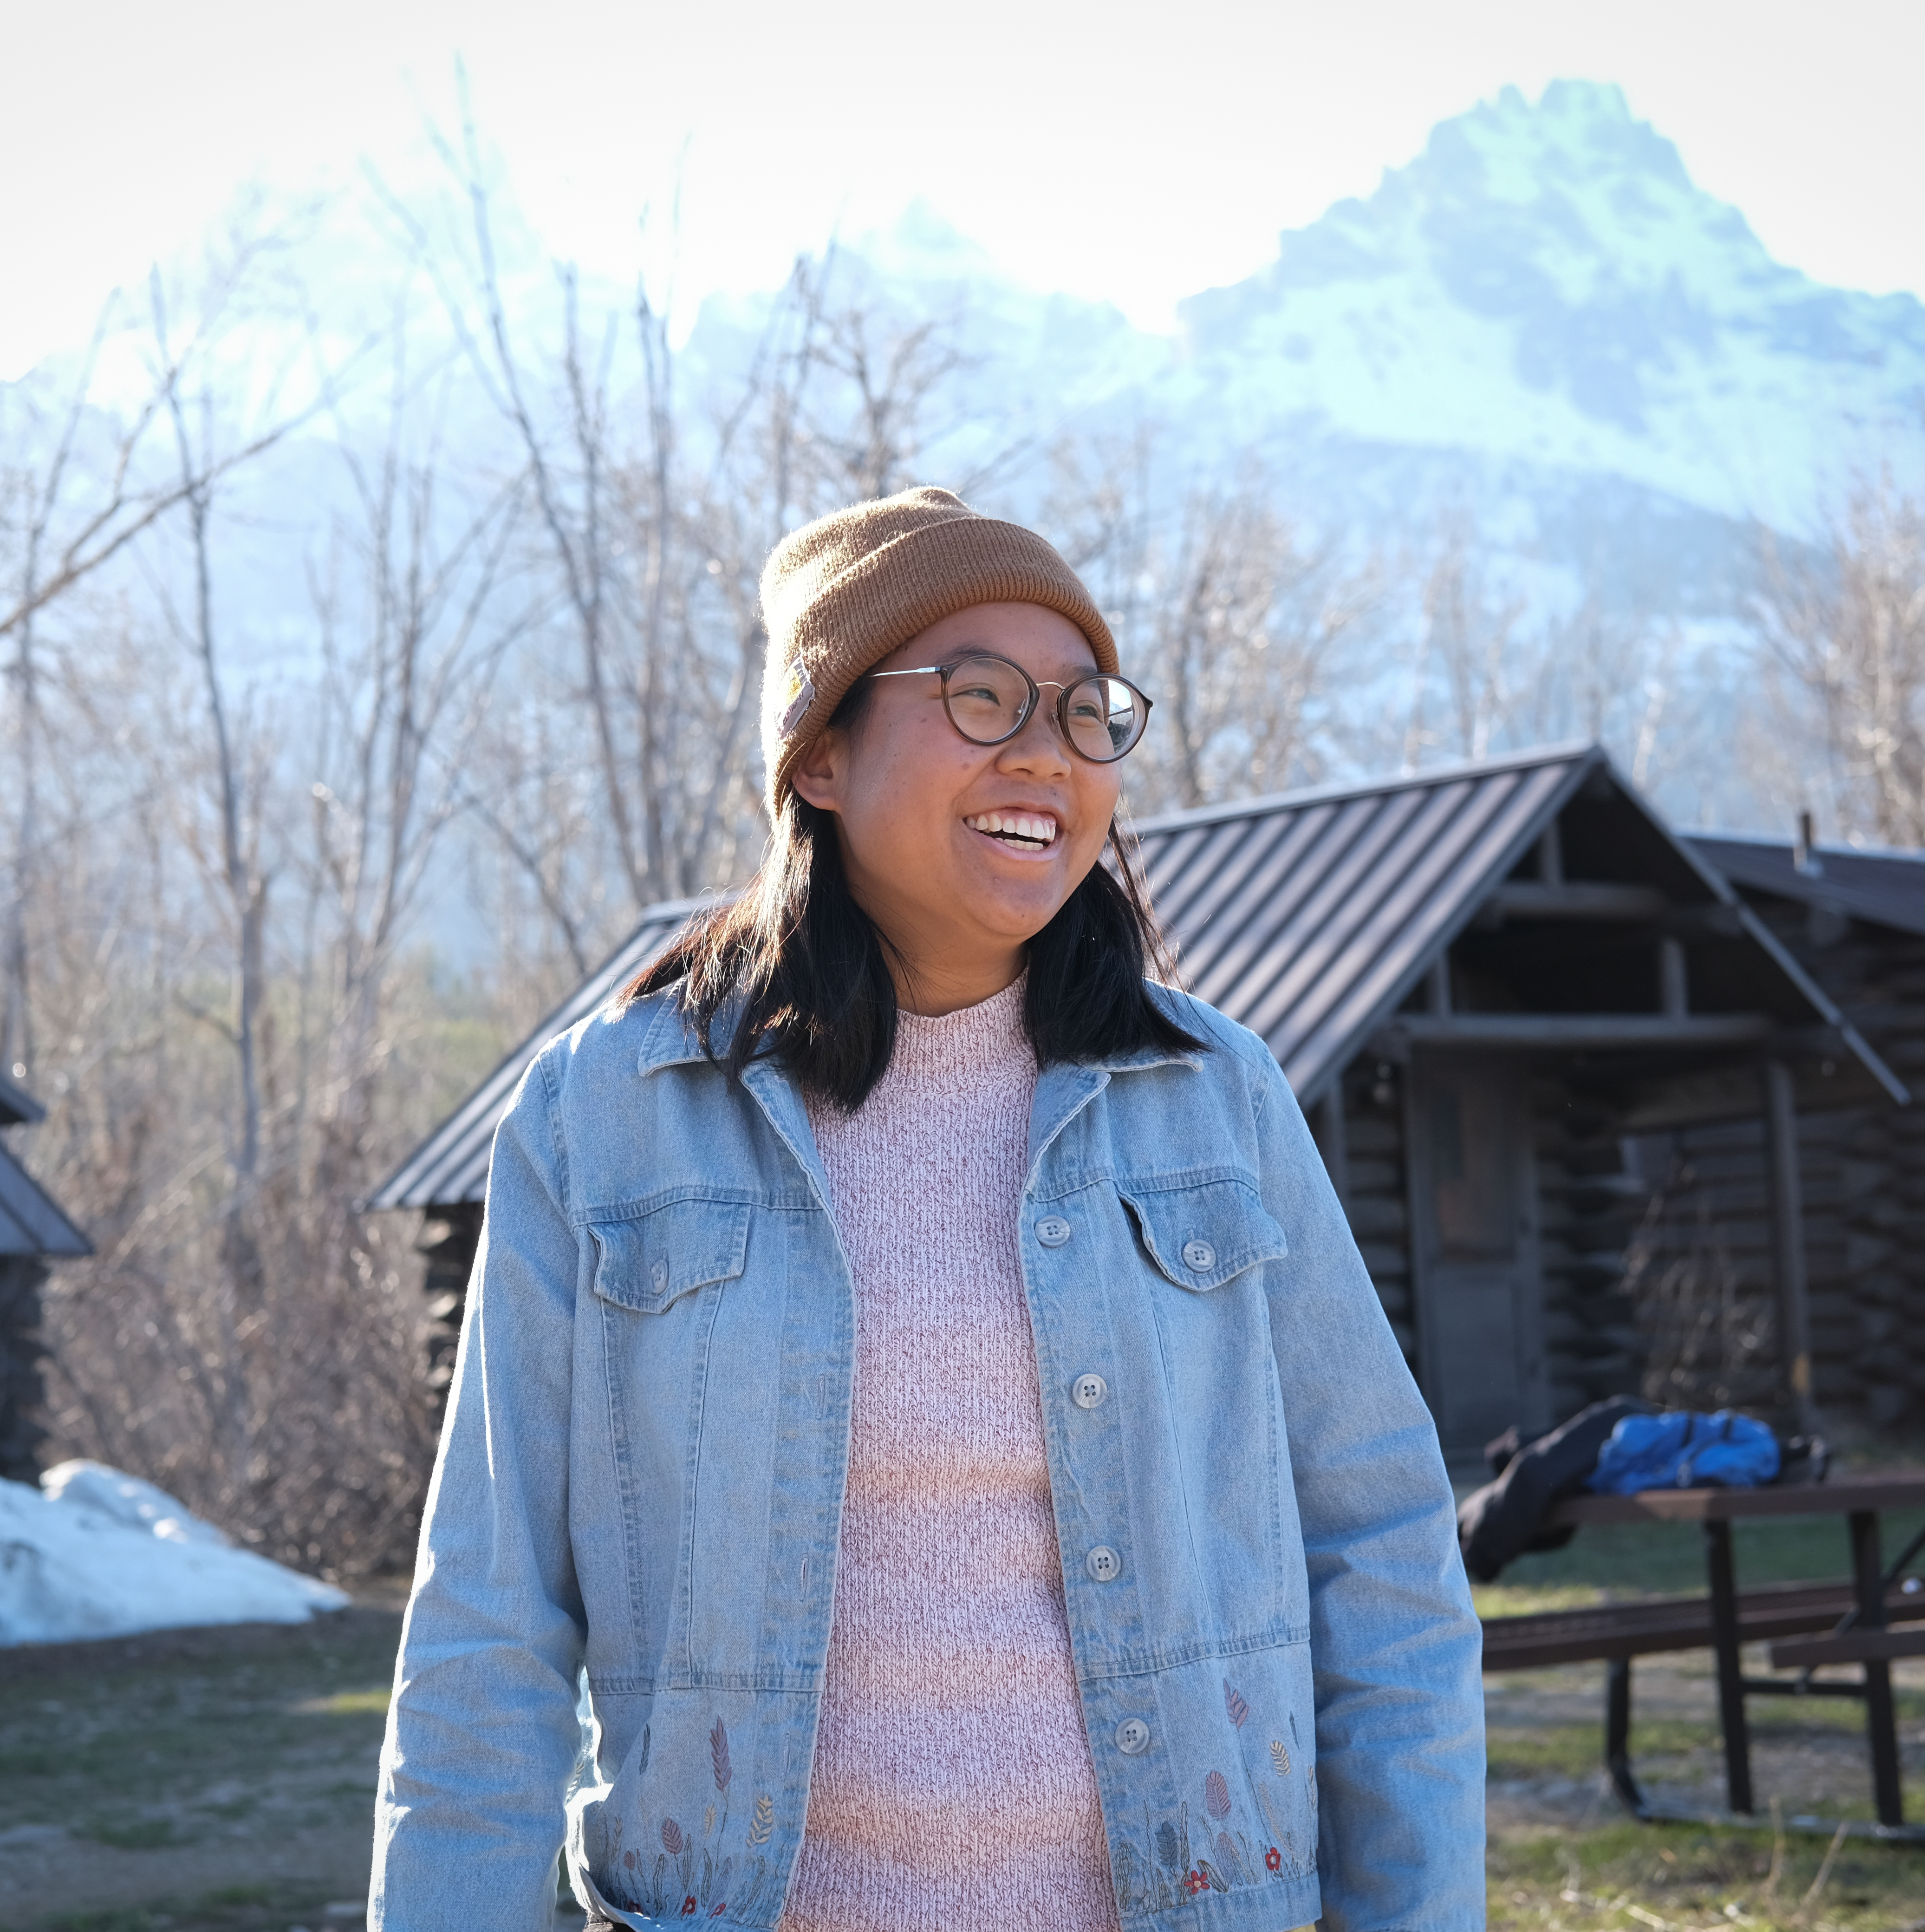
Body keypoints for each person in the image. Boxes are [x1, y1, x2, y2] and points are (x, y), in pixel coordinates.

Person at [371, 488, 1483, 1932]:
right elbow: (489, 1625)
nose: (1047, 752)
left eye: (1085, 711)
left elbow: (1384, 1554)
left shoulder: (1216, 1098)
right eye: (981, 695)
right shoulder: (608, 1114)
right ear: (821, 755)